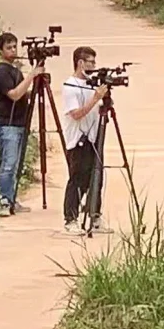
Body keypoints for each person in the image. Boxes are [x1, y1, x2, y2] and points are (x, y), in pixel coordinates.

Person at [0, 32, 46, 218]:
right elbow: (14, 94)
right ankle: (4, 200)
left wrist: (34, 89)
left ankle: (11, 197)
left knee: (14, 165)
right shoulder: (1, 71)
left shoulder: (15, 70)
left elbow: (22, 94)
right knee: (8, 164)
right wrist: (32, 75)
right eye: (9, 47)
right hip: (7, 124)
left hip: (19, 123)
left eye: (15, 46)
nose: (13, 50)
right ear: (0, 51)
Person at [60, 47, 112, 235]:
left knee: (96, 177)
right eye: (90, 62)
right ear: (80, 63)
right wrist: (95, 98)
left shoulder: (92, 84)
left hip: (93, 138)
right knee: (78, 179)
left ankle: (95, 216)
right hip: (78, 140)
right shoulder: (70, 86)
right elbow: (76, 114)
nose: (93, 66)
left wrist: (103, 98)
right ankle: (70, 219)